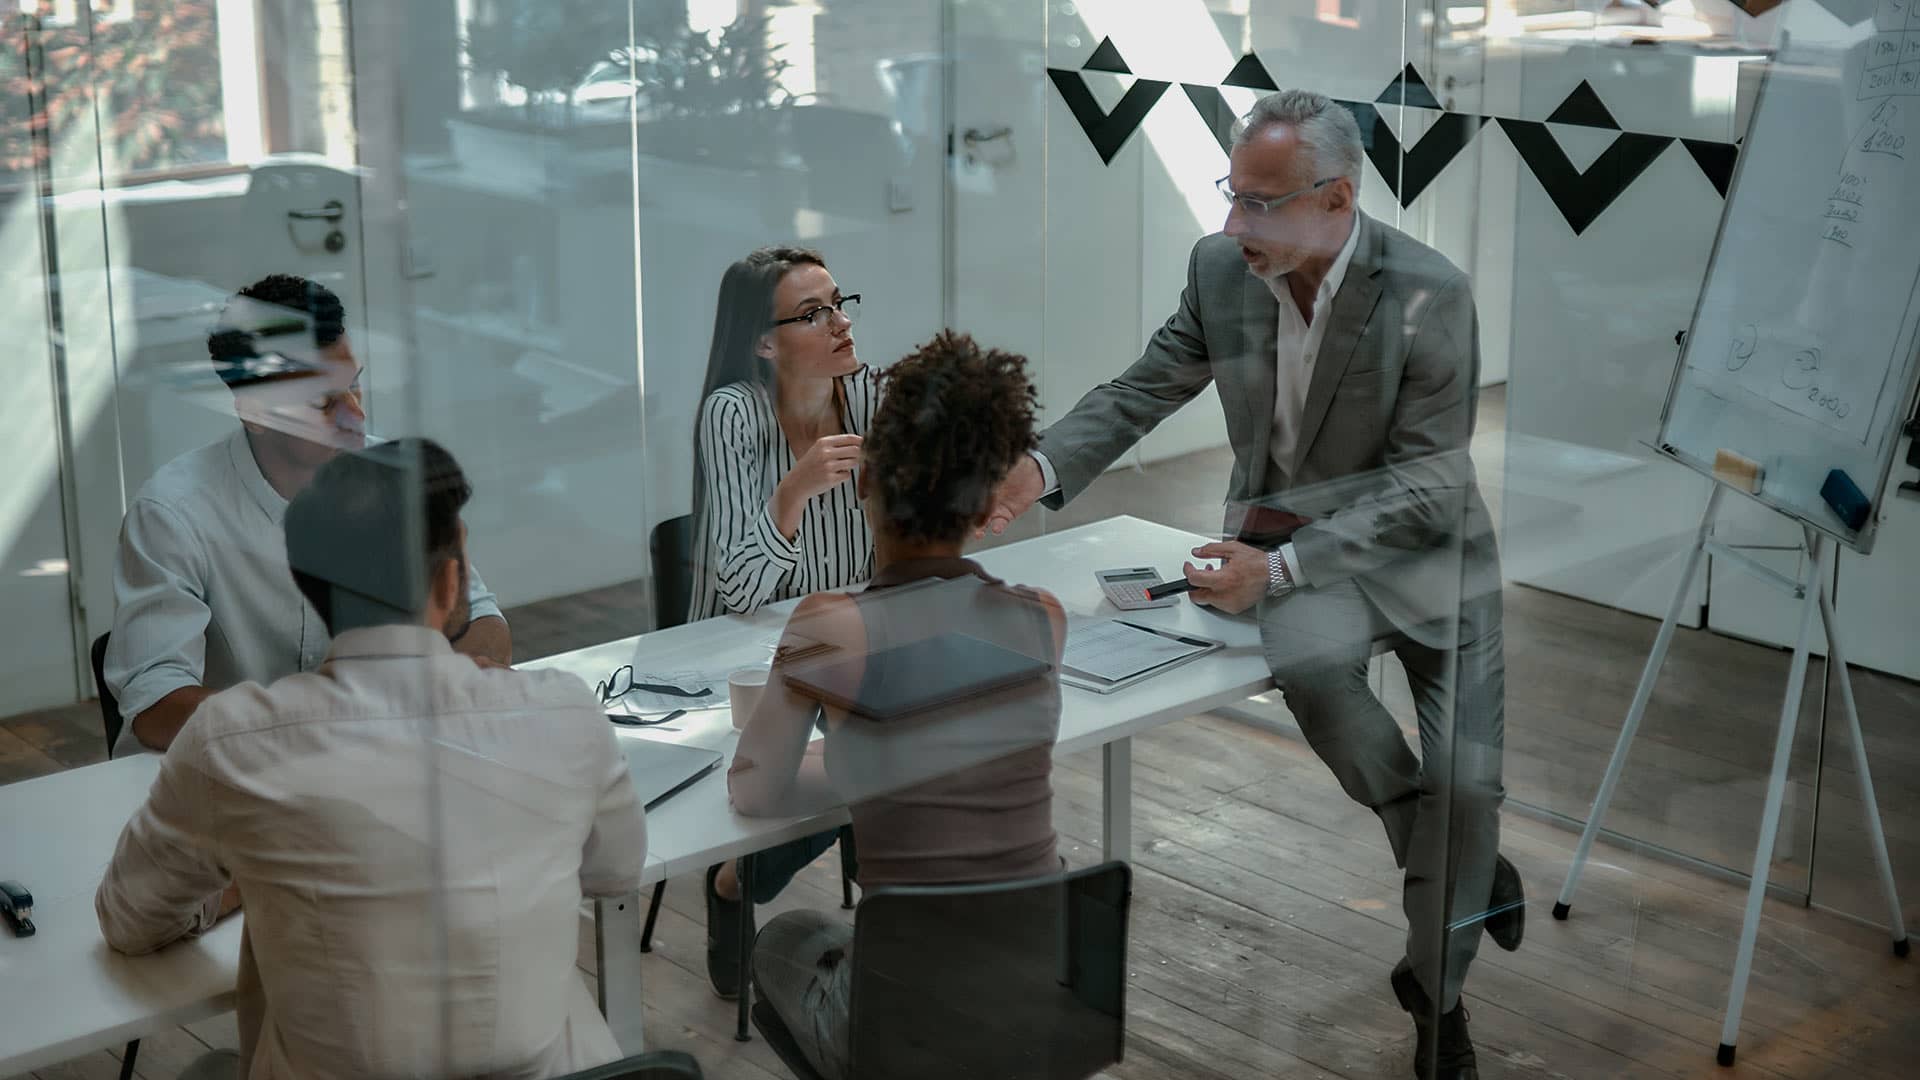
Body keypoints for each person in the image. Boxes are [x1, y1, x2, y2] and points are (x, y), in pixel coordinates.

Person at [982, 90, 1516, 1080]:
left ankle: (1436, 994)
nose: (1235, 224)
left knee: (1473, 784)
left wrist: (1280, 568)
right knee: (1318, 674)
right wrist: (1039, 468)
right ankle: (1446, 858)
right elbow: (1148, 383)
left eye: (1261, 203)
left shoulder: (1428, 291)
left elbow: (1429, 483)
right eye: (1233, 193)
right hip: (1301, 551)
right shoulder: (1220, 269)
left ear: (1339, 198)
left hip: (1431, 556)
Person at [95, 438, 644, 1080]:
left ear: (309, 585)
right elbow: (615, 871)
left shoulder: (231, 742)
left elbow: (128, 918)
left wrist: (247, 878)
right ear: (448, 581)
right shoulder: (564, 714)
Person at [731, 331, 1067, 1079]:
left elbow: (754, 792)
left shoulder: (829, 627)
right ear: (985, 504)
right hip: (1038, 995)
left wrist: (844, 762)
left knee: (783, 939)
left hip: (911, 1019)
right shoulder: (1043, 617)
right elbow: (957, 762)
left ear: (861, 483)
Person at [103, 274, 511, 757]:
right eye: (324, 401)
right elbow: (155, 703)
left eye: (355, 388)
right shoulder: (174, 514)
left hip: (377, 763)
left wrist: (459, 674)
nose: (356, 416)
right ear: (255, 412)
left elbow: (480, 619)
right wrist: (322, 723)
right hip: (227, 779)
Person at [687, 246, 879, 999]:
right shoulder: (734, 412)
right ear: (764, 342)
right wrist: (793, 492)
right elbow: (736, 587)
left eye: (839, 302)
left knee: (905, 735)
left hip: (849, 640)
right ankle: (734, 883)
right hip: (747, 652)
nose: (840, 323)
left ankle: (888, 922)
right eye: (814, 313)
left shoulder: (868, 398)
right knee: (876, 758)